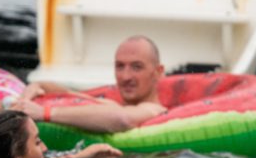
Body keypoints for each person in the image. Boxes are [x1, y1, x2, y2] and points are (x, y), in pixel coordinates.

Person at [12, 35, 167, 133]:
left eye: (136, 67)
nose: (125, 76)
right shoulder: (110, 102)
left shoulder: (153, 110)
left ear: (158, 72)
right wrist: (26, 98)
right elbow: (46, 87)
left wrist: (44, 113)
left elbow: (122, 119)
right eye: (120, 66)